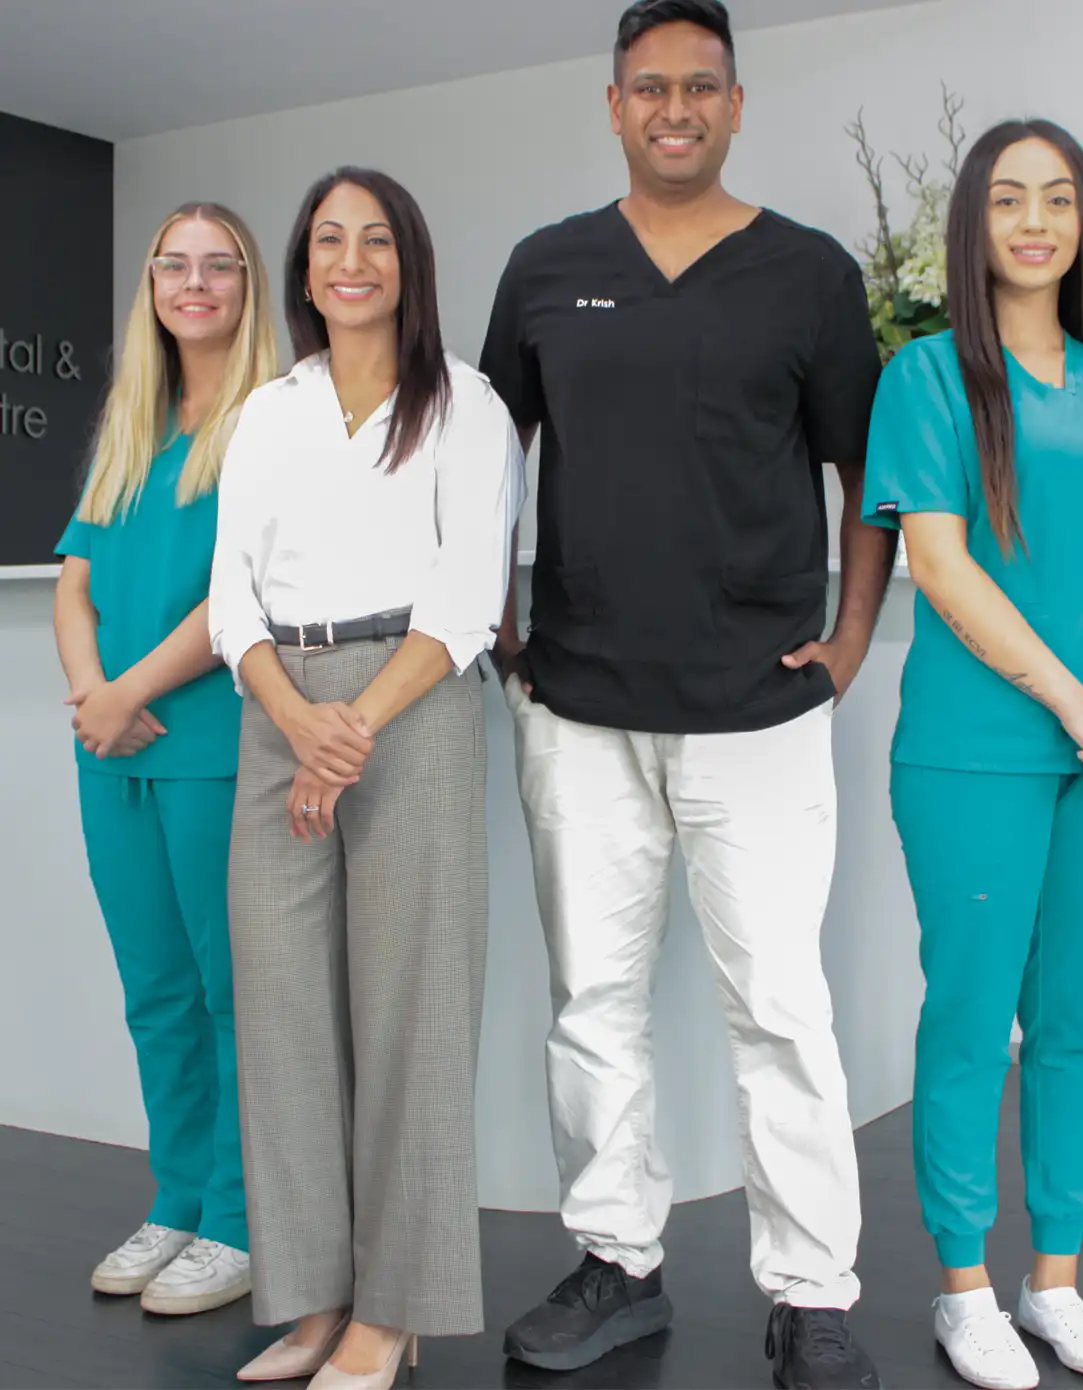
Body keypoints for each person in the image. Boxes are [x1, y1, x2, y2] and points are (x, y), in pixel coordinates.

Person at [478, 3, 892, 1386]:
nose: (673, 107)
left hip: (760, 710)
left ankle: (812, 1290)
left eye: (698, 86)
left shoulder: (810, 275)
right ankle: (618, 1263)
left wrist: (844, 641)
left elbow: (864, 478)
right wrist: (500, 620)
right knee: (590, 998)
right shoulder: (547, 268)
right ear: (611, 105)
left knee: (779, 1006)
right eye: (647, 86)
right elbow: (483, 456)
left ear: (733, 102)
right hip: (579, 705)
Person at [862, 119, 1083, 1389]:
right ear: (975, 224)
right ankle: (964, 1285)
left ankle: (1054, 1281)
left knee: (1074, 1024)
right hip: (980, 747)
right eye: (1009, 200)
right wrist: (1074, 697)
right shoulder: (932, 376)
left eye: (1059, 199)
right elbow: (938, 562)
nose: (1036, 221)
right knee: (968, 1017)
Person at [210, 167, 524, 1390]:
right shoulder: (269, 412)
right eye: (329, 239)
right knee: (282, 1012)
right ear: (303, 267)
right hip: (277, 709)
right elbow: (232, 588)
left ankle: (393, 1312)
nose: (352, 259)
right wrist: (298, 718)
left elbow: (468, 590)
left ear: (410, 262)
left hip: (417, 700)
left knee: (413, 1016)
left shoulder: (467, 404)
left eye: (377, 238)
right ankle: (313, 1294)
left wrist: (356, 726)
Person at [53, 202, 276, 1316]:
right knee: (156, 992)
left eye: (217, 265)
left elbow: (241, 597)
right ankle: (178, 1196)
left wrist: (130, 691)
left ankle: (239, 1218)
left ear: (247, 286)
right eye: (173, 265)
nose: (194, 283)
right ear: (150, 287)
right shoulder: (129, 425)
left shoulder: (273, 423)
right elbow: (75, 581)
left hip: (210, 748)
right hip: (113, 756)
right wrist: (95, 698)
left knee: (230, 991)